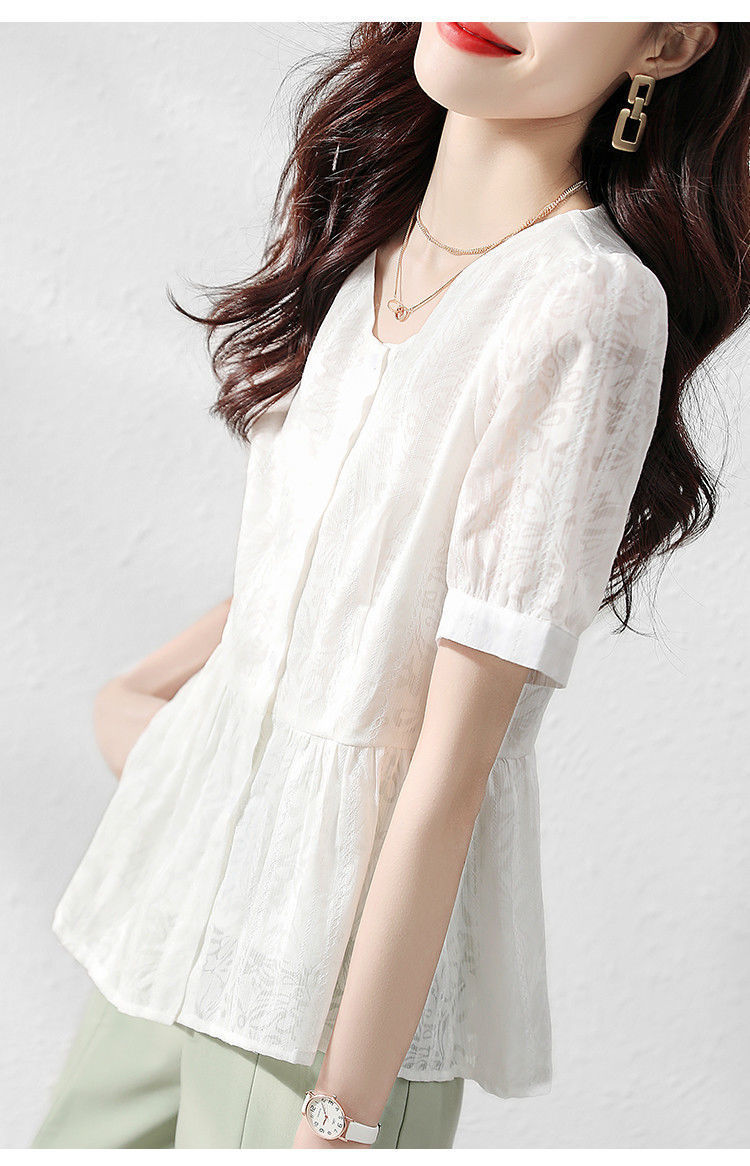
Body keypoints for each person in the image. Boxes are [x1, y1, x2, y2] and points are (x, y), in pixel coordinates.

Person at [32, 21, 748, 1150]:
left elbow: (448, 770)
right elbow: (334, 583)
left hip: (330, 986)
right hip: (174, 910)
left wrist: (343, 1114)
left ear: (664, 43)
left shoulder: (584, 303)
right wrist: (142, 696)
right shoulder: (371, 238)